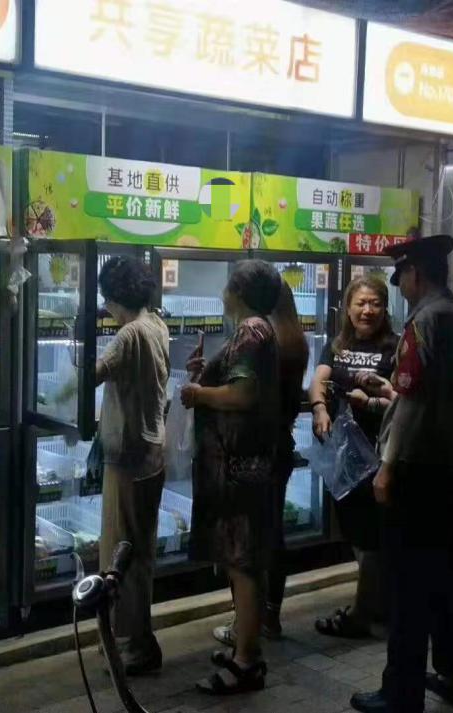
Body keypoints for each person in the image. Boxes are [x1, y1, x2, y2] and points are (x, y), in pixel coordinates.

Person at [351, 235, 453, 713]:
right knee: (447, 572)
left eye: (401, 276)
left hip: (416, 468)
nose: (400, 286)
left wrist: (387, 467)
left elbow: (412, 405)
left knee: (407, 583)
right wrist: (391, 393)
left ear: (415, 274)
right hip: (449, 465)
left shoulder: (424, 322)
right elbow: (433, 396)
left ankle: (401, 692)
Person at [180, 259, 283, 695]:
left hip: (238, 469)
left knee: (243, 564)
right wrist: (206, 373)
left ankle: (246, 662)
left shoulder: (251, 332)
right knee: (243, 561)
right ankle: (244, 644)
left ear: (237, 292)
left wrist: (198, 393)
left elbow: (243, 394)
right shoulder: (258, 331)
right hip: (243, 466)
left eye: (228, 286)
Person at [211, 280, 308, 646]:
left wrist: (202, 391)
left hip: (254, 451)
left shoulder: (260, 340)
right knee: (271, 533)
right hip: (280, 446)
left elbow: (243, 397)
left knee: (246, 545)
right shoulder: (293, 340)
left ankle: (246, 627)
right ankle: (269, 616)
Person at [308, 276, 399, 639]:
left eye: (375, 303)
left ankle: (363, 614)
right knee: (357, 534)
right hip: (344, 456)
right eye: (360, 303)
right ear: (347, 308)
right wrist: (319, 408)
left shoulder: (395, 348)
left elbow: (405, 403)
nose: (367, 310)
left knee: (373, 534)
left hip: (380, 454)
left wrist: (372, 402)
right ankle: (375, 601)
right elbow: (318, 379)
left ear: (385, 308)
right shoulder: (337, 346)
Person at [93, 256, 170, 675]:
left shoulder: (129, 334)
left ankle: (130, 647)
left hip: (128, 455)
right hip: (152, 451)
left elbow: (92, 373)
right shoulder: (156, 323)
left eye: (106, 299)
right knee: (140, 549)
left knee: (120, 553)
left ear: (114, 298)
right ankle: (134, 637)